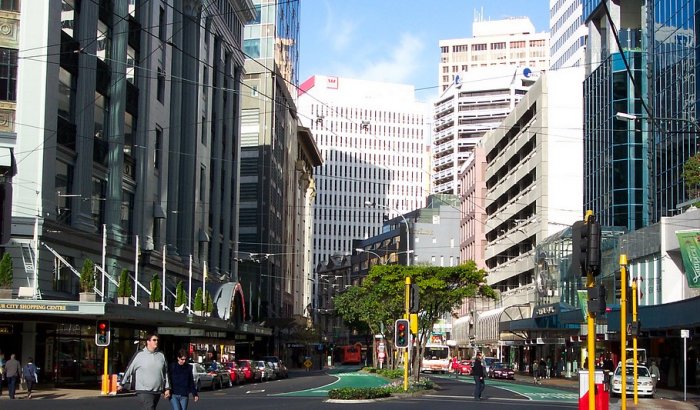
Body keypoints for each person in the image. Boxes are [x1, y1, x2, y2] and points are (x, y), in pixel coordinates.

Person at [118, 333, 171, 410]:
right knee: (149, 407)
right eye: (154, 340)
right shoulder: (139, 355)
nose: (156, 342)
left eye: (157, 340)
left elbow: (166, 372)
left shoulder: (161, 355)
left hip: (157, 390)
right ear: (148, 342)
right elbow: (129, 369)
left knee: (151, 407)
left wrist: (167, 388)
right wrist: (122, 383)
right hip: (143, 390)